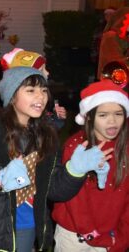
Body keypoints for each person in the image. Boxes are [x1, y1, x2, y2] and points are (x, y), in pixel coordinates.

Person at [0, 67, 112, 252]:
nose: (40, 97)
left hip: (30, 225)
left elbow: (54, 190)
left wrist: (75, 170)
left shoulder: (46, 133)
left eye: (43, 90)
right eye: (31, 90)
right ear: (12, 95)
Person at [52, 80, 129, 252]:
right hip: (74, 237)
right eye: (103, 115)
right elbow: (74, 200)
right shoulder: (76, 146)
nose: (112, 121)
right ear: (89, 117)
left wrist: (122, 238)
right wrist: (91, 234)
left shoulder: (125, 148)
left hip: (111, 235)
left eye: (118, 114)